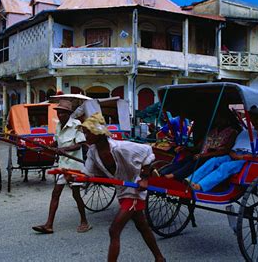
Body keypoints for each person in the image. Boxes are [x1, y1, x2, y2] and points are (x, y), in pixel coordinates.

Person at [79, 112, 165, 262]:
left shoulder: (120, 148)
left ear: (98, 133)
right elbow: (87, 173)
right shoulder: (93, 152)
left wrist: (144, 179)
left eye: (88, 132)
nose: (85, 136)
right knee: (142, 226)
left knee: (114, 230)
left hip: (134, 189)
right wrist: (72, 176)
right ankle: (159, 258)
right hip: (122, 190)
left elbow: (147, 152)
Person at [32, 100, 91, 234]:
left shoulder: (76, 125)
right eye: (58, 112)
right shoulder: (58, 125)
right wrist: (48, 147)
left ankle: (84, 222)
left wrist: (63, 149)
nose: (60, 115)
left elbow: (80, 144)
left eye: (63, 113)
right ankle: (49, 225)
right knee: (55, 193)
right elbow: (56, 141)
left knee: (76, 195)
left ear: (69, 114)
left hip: (74, 166)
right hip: (63, 165)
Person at [188, 113, 258, 192]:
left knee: (225, 166)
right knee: (213, 161)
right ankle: (191, 179)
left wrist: (242, 157)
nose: (253, 121)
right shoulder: (245, 132)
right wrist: (233, 154)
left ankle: (201, 186)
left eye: (256, 119)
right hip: (235, 154)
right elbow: (233, 148)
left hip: (248, 160)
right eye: (253, 119)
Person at [159, 111, 239, 181]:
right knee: (186, 159)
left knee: (196, 162)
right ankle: (161, 173)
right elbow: (198, 147)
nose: (217, 119)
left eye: (219, 118)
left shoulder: (232, 132)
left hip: (213, 157)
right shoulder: (211, 131)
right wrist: (185, 148)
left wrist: (204, 155)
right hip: (201, 155)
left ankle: (172, 176)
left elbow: (226, 151)